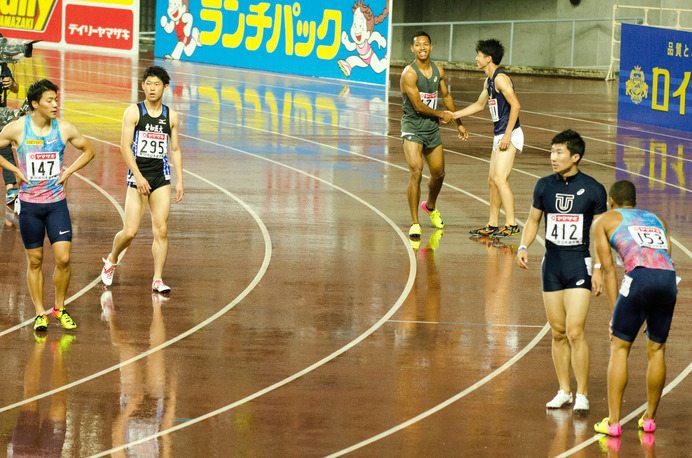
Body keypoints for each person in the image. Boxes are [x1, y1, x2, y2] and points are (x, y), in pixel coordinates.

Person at [516, 129, 606, 414]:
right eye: (552, 152)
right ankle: (564, 390)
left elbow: (601, 234)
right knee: (557, 332)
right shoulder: (543, 186)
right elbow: (532, 221)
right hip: (552, 265)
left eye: (559, 153)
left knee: (575, 330)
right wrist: (523, 246)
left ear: (575, 156)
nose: (552, 157)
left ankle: (582, 394)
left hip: (579, 263)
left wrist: (600, 268)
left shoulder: (593, 189)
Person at [0, 79, 95, 332]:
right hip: (29, 206)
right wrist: (13, 170)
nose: (55, 104)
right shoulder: (18, 129)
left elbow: (89, 150)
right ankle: (39, 313)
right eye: (49, 100)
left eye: (56, 99)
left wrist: (69, 172)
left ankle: (59, 308)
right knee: (35, 261)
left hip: (56, 204)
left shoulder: (63, 129)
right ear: (35, 104)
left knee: (63, 259)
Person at [592, 180, 677, 437]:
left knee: (619, 346)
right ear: (635, 202)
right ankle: (650, 419)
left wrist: (614, 314)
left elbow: (607, 270)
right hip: (668, 278)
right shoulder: (657, 219)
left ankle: (614, 422)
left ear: (612, 202)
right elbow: (666, 256)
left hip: (639, 277)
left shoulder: (605, 220)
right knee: (657, 348)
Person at [101, 66, 184, 293]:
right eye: (148, 83)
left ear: (165, 87)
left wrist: (180, 180)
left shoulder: (171, 116)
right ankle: (112, 259)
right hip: (138, 177)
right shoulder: (134, 112)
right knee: (130, 232)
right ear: (142, 86)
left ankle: (157, 279)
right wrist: (137, 177)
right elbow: (124, 146)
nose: (152, 88)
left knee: (161, 230)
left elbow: (174, 149)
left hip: (161, 177)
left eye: (156, 84)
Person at [449, 39, 523, 238]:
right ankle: (492, 224)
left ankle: (512, 224)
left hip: (510, 133)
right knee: (492, 180)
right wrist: (455, 115)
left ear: (488, 58)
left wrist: (508, 134)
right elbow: (479, 105)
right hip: (499, 134)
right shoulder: (488, 81)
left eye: (479, 55)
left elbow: (515, 106)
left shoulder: (501, 79)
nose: (476, 58)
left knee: (500, 178)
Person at [400, 30, 468, 238]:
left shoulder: (439, 70)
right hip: (412, 126)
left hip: (431, 128)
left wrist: (458, 122)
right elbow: (419, 106)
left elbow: (446, 97)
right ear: (412, 49)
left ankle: (430, 206)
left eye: (425, 44)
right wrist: (441, 115)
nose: (422, 48)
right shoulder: (409, 74)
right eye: (417, 45)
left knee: (438, 174)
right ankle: (414, 223)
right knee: (416, 170)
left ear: (431, 47)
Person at [0, 58, 21, 206]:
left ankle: (10, 188)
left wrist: (11, 84)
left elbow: (16, 89)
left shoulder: (2, 65)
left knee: (5, 145)